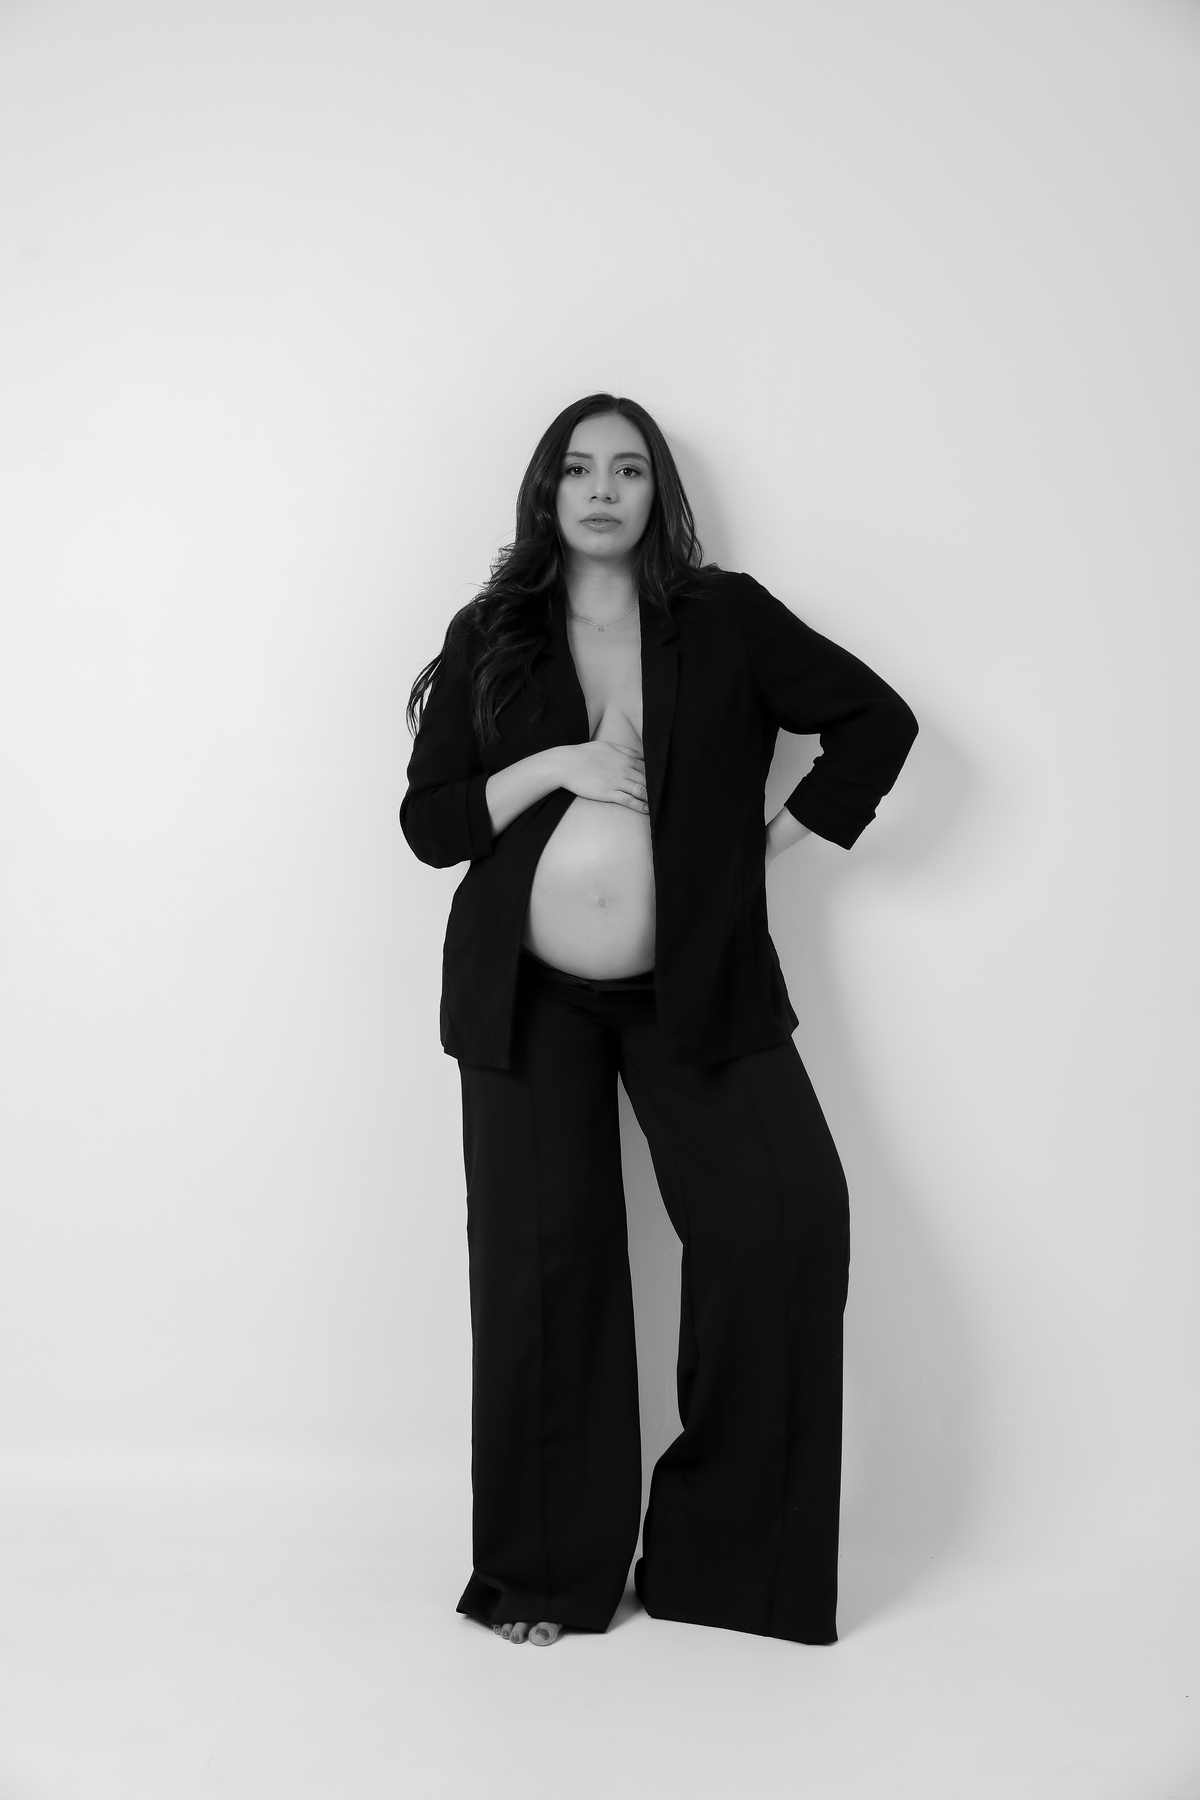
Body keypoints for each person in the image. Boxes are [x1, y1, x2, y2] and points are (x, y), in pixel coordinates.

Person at [401, 394, 917, 1649]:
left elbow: (875, 721)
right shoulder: (494, 631)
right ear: (546, 490)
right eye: (579, 468)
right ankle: (543, 1577)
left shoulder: (722, 618)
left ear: (657, 493)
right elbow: (430, 823)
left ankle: (724, 1565)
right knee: (543, 1272)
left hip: (697, 983)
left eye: (628, 469)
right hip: (526, 997)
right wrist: (556, 767)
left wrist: (759, 848)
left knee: (785, 1225)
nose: (602, 490)